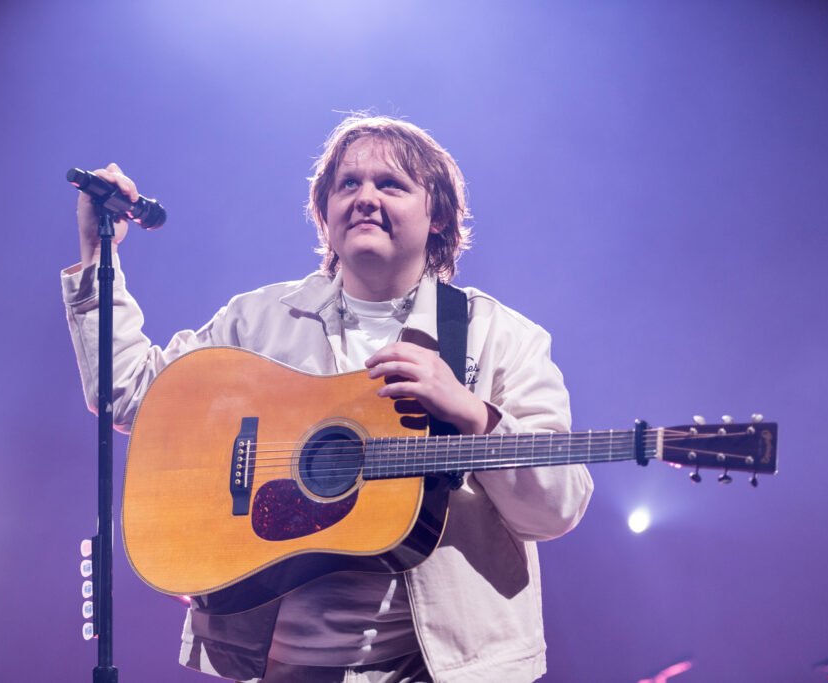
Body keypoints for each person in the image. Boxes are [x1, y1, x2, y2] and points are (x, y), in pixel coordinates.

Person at [63, 114, 593, 683]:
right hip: (282, 663)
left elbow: (556, 508)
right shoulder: (256, 321)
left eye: (391, 184)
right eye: (348, 184)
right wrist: (100, 256)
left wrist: (473, 414)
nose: (365, 198)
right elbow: (129, 393)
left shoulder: (501, 337)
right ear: (324, 212)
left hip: (445, 669)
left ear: (438, 215)